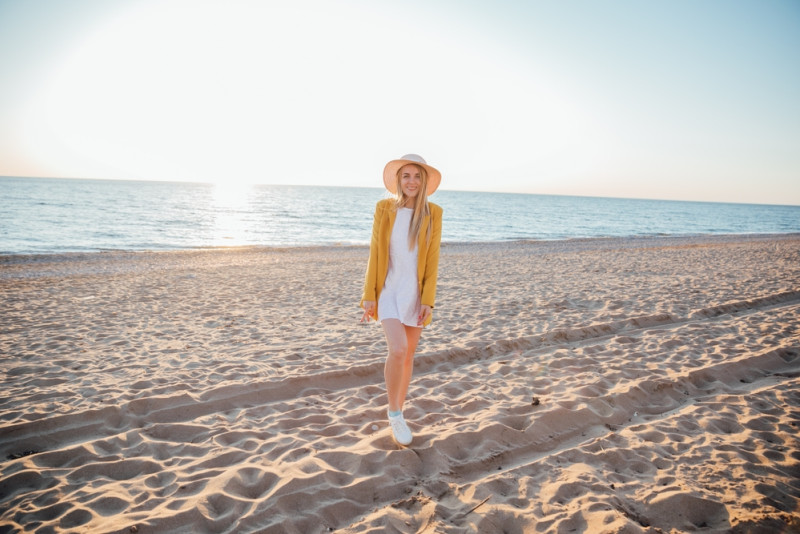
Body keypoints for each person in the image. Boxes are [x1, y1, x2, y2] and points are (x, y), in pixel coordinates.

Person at [360, 154, 443, 446]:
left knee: (408, 355)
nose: (411, 181)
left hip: (415, 294)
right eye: (406, 176)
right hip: (388, 290)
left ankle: (400, 409)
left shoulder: (433, 214)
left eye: (417, 176)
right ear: (398, 180)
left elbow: (432, 261)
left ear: (424, 182)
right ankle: (393, 412)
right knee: (398, 349)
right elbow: (374, 253)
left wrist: (428, 300)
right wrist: (368, 295)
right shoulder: (384, 209)